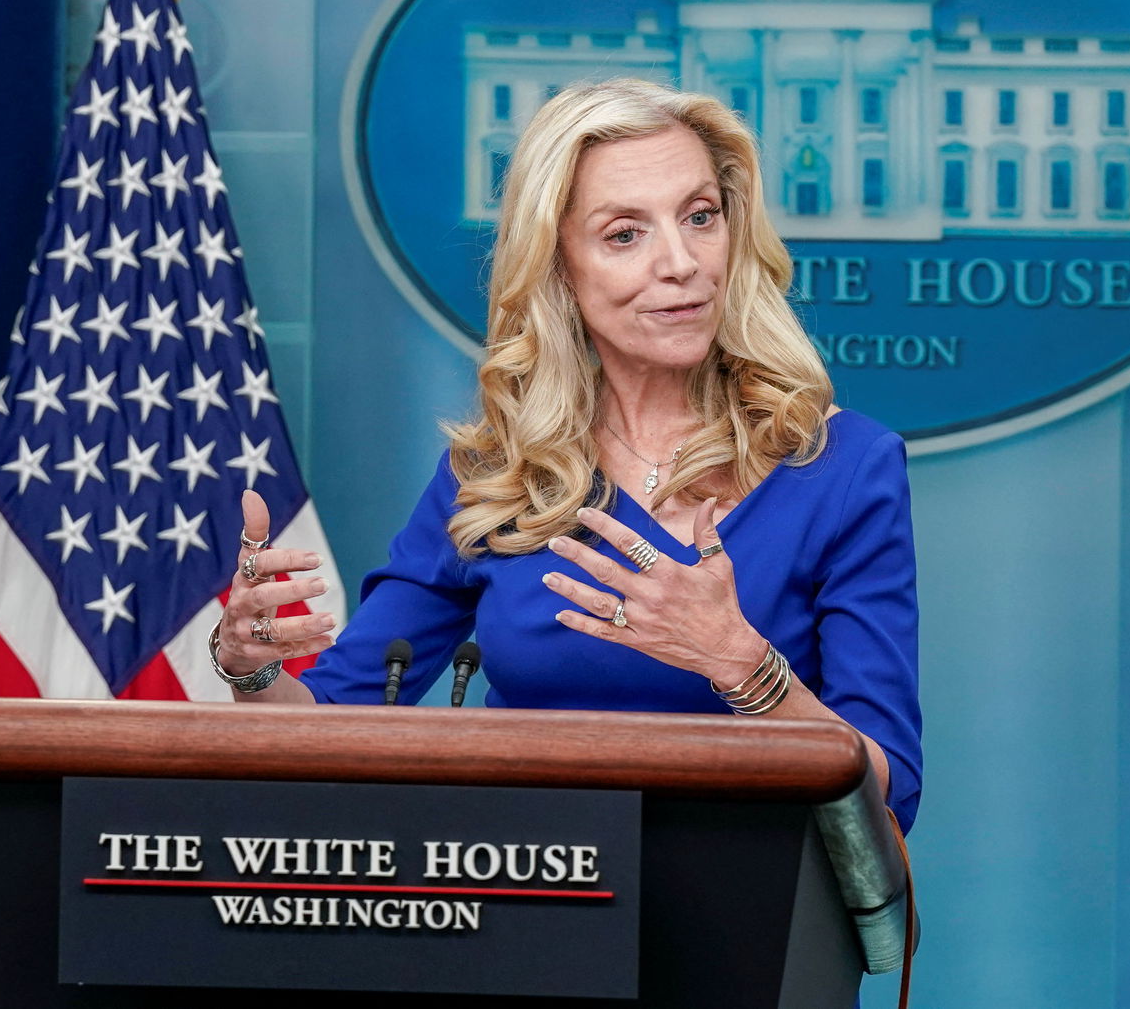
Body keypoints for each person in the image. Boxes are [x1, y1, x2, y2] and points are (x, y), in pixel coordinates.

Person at [209, 78, 922, 832]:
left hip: (755, 915)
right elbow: (328, 724)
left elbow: (888, 791)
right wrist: (251, 667)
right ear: (558, 269)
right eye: (625, 233)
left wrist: (739, 661)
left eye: (700, 217)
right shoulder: (499, 474)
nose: (681, 262)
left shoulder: (845, 467)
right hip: (529, 905)